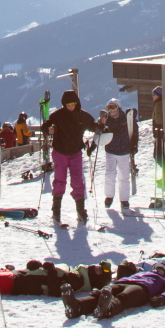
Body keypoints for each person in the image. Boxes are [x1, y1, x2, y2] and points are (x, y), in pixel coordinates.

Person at [40, 89, 99, 226]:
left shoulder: (83, 116)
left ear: (77, 103)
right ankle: (56, 210)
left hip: (75, 153)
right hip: (60, 152)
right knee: (60, 181)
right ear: (64, 104)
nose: (71, 107)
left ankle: (81, 211)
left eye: (72, 104)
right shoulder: (58, 115)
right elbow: (45, 126)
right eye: (68, 105)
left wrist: (101, 127)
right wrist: (48, 130)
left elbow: (93, 126)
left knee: (78, 181)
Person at [95, 99, 137, 210]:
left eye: (113, 107)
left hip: (124, 151)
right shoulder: (106, 120)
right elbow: (99, 132)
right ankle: (109, 196)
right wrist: (101, 124)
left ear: (118, 107)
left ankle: (124, 200)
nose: (111, 111)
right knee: (109, 174)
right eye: (109, 108)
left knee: (124, 175)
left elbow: (134, 131)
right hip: (111, 150)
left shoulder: (126, 119)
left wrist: (134, 145)